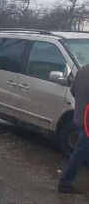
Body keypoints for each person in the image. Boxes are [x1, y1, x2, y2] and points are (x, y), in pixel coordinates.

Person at [57, 64, 89, 194]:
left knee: (83, 151)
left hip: (80, 117)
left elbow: (73, 90)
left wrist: (82, 103)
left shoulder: (82, 69)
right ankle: (64, 183)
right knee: (79, 153)